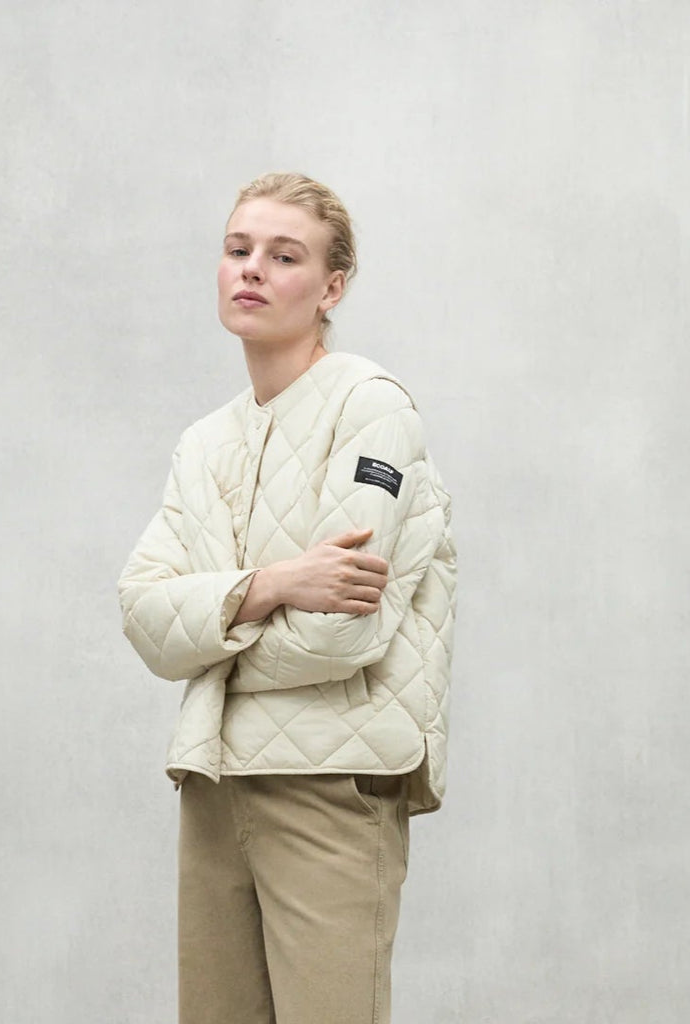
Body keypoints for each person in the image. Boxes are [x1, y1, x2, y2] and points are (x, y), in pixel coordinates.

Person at [118, 172, 456, 1024]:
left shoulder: (372, 411)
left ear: (332, 285)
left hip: (330, 784)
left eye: (283, 255)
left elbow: (340, 638)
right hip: (215, 784)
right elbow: (144, 621)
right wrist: (271, 585)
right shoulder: (204, 443)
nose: (252, 270)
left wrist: (212, 631)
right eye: (238, 250)